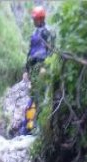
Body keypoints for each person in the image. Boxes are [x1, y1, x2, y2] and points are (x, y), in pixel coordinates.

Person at [21, 6, 52, 135]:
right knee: (33, 96)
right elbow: (30, 53)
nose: (33, 21)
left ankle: (36, 127)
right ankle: (28, 126)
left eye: (35, 18)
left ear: (40, 19)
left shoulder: (47, 32)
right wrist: (26, 70)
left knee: (39, 97)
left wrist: (45, 67)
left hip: (41, 68)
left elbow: (51, 51)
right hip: (33, 68)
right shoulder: (34, 33)